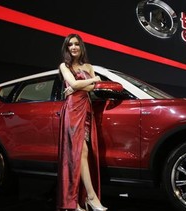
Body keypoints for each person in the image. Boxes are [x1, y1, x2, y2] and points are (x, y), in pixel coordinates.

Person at [57, 34, 107, 211]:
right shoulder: (65, 65)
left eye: (77, 44)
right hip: (72, 111)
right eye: (70, 45)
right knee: (79, 152)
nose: (73, 47)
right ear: (67, 48)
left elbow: (88, 89)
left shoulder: (88, 66)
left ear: (81, 46)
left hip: (85, 110)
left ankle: (82, 200)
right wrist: (93, 80)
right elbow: (73, 83)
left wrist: (79, 85)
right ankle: (88, 198)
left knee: (82, 153)